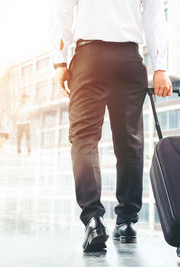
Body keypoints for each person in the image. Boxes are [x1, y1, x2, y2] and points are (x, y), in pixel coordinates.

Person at [51, 0, 172, 252]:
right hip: (128, 59)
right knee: (129, 143)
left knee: (84, 139)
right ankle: (127, 222)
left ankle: (93, 219)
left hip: (89, 59)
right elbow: (154, 17)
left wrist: (60, 62)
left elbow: (62, 12)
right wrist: (160, 67)